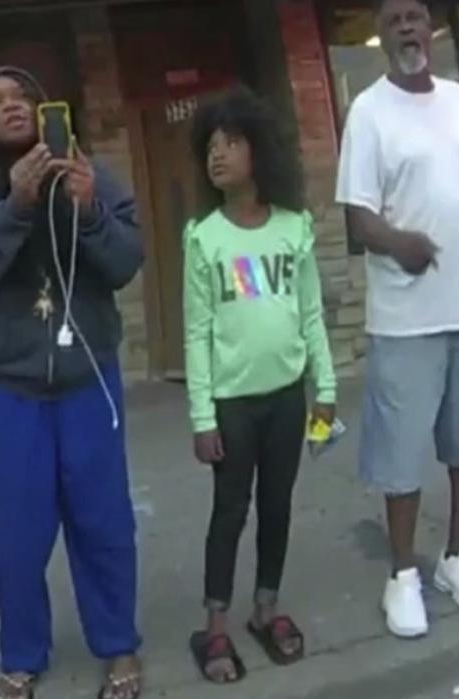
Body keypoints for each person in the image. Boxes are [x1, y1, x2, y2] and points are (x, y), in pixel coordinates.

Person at [0, 67, 145, 699]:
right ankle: (22, 653)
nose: (11, 107)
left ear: (45, 107)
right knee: (20, 533)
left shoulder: (92, 174)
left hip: (87, 378)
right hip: (9, 388)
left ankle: (118, 645)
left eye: (21, 95)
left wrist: (89, 213)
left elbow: (128, 261)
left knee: (104, 522)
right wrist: (15, 208)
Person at [336, 0, 459, 639]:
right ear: (380, 35)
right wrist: (399, 243)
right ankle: (401, 574)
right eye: (395, 19)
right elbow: (358, 217)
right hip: (405, 320)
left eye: (416, 16)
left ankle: (458, 557)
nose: (408, 27)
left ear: (430, 29)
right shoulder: (369, 111)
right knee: (401, 456)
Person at [182, 90, 337, 683]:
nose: (219, 155)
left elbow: (312, 315)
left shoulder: (294, 229)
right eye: (211, 146)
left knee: (278, 505)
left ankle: (265, 607)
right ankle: (216, 626)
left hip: (285, 399)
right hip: (231, 404)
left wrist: (323, 389)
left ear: (260, 151)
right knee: (230, 510)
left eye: (232, 142)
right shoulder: (204, 238)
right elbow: (196, 334)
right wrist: (202, 417)